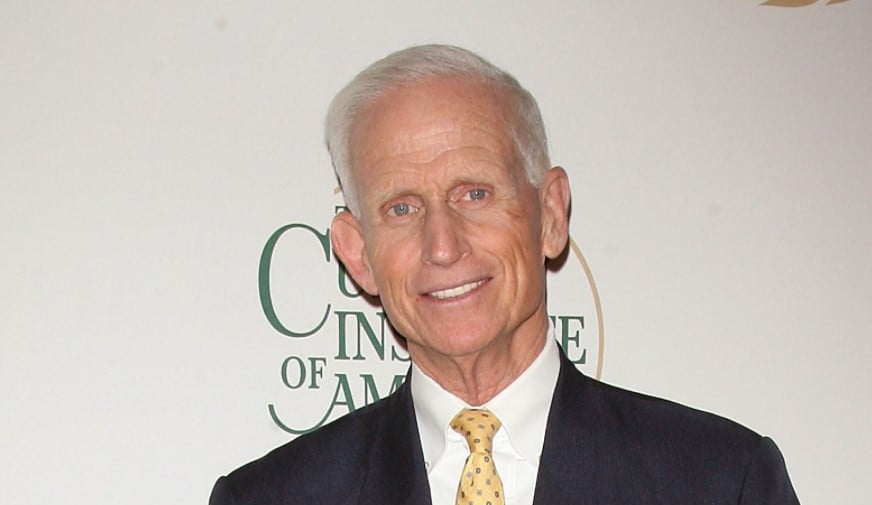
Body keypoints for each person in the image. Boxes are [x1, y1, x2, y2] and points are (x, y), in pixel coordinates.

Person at [210, 44, 800, 505]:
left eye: (474, 194)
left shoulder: (722, 482)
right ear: (357, 252)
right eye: (402, 208)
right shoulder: (268, 500)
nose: (443, 246)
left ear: (550, 214)